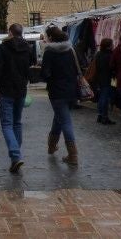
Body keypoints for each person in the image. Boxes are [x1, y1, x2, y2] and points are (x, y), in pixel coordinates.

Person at [0, 23, 34, 173]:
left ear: (10, 32)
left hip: (6, 90)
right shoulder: (28, 48)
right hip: (21, 90)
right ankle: (16, 155)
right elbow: (31, 66)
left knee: (7, 125)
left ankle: (16, 156)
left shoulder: (3, 48)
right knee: (17, 123)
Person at [40, 26, 79, 166]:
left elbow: (45, 73)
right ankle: (51, 146)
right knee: (60, 117)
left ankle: (73, 155)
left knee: (65, 121)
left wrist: (50, 78)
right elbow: (77, 69)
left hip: (57, 91)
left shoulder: (49, 52)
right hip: (72, 90)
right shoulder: (70, 49)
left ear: (50, 37)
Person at [93, 38, 116, 125]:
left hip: (99, 77)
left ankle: (100, 115)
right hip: (107, 78)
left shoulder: (99, 54)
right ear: (109, 46)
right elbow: (111, 67)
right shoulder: (109, 55)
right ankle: (104, 117)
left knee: (101, 97)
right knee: (105, 98)